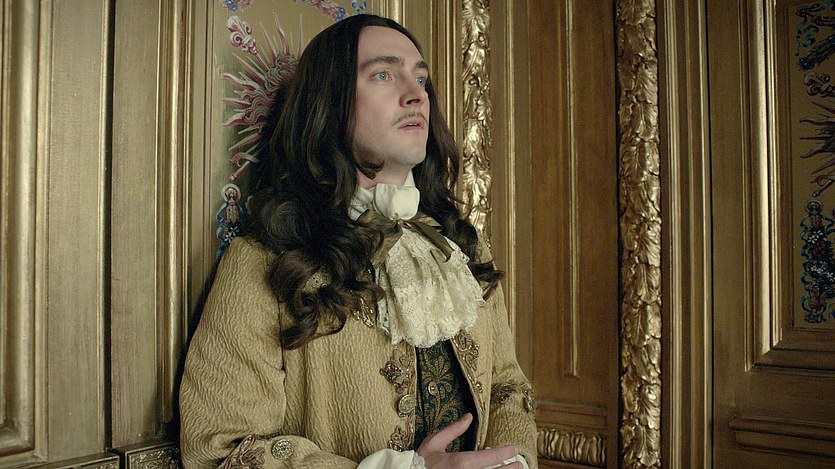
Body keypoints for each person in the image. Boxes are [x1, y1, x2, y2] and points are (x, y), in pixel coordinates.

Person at [179, 14, 538, 469]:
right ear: (329, 103)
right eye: (383, 74)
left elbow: (507, 385)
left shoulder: (460, 246)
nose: (416, 95)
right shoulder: (265, 258)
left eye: (421, 79)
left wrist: (512, 462)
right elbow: (220, 448)